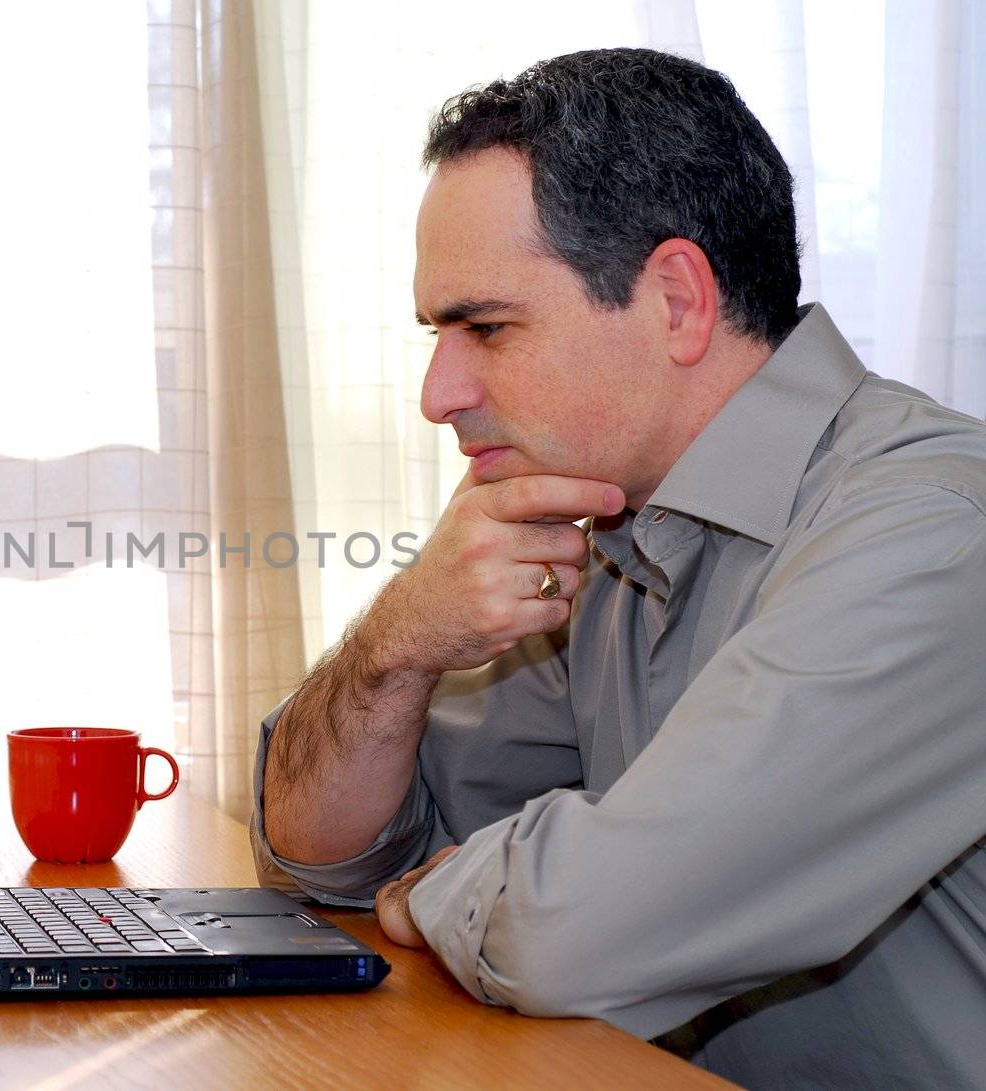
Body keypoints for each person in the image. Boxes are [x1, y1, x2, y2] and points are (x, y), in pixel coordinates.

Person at [251, 47, 986, 1089]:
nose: (437, 391)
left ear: (677, 300)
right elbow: (322, 856)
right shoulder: (603, 525)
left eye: (486, 326)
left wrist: (442, 891)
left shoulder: (939, 528)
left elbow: (568, 934)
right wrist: (396, 643)